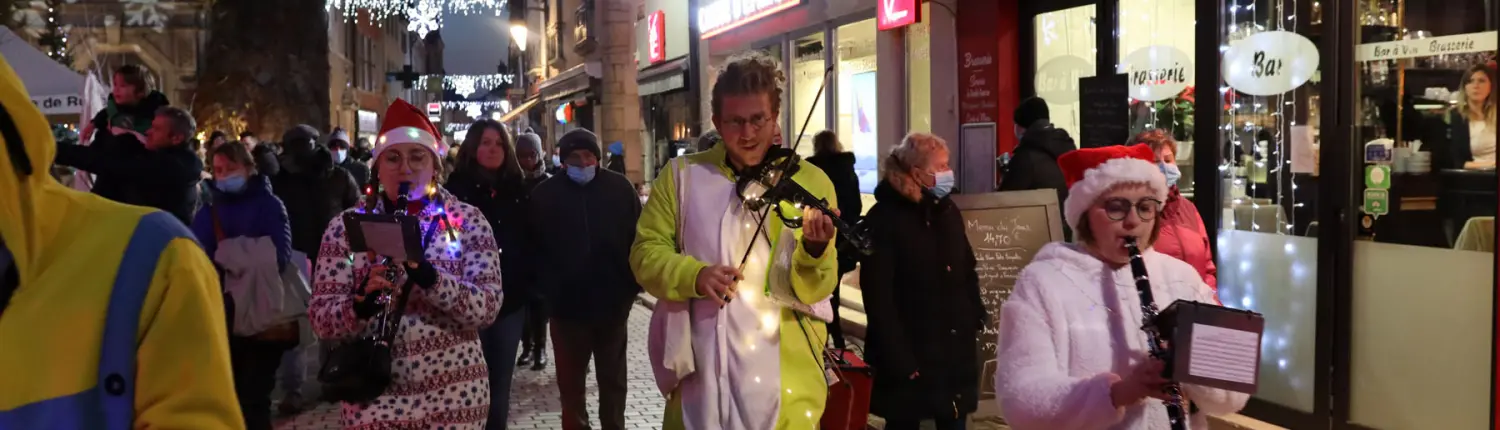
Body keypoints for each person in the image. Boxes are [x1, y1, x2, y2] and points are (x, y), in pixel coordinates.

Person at [0, 53, 242, 429]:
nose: (148, 135)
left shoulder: (159, 250)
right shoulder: (120, 131)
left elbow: (120, 167)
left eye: (156, 130)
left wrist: (69, 149)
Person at [631, 52, 841, 429]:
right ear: (716, 121)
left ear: (775, 117)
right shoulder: (680, 176)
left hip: (785, 389)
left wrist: (814, 252)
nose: (747, 133)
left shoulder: (810, 183)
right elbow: (644, 254)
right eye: (735, 121)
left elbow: (816, 290)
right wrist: (694, 275)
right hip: (701, 380)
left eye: (758, 119)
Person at [994, 144, 1248, 429]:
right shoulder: (1044, 283)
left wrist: (1189, 357)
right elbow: (1020, 400)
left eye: (1145, 207)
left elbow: (1232, 397)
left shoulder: (1181, 278)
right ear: (1084, 214)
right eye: (1116, 207)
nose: (1133, 221)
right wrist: (1118, 393)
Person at [307, 99, 504, 429]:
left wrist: (431, 279)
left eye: (417, 156)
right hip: (374, 396)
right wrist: (359, 306)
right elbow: (321, 320)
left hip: (454, 396)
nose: (405, 168)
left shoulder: (468, 221)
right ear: (377, 167)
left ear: (435, 165)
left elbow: (487, 308)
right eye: (393, 158)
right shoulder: (345, 228)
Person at [860, 132, 984, 430]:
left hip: (952, 351)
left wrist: (975, 312)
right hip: (911, 353)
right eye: (940, 167)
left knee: (954, 420)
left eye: (947, 164)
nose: (948, 172)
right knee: (904, 422)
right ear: (916, 173)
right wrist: (900, 359)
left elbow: (966, 266)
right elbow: (878, 296)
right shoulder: (885, 219)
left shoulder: (947, 210)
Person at [531, 128, 642, 430]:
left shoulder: (619, 189)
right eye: (575, 158)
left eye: (588, 156)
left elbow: (639, 240)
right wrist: (548, 294)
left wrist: (630, 289)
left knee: (613, 384)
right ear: (563, 161)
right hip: (566, 312)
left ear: (598, 158)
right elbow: (534, 248)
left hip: (612, 308)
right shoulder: (545, 195)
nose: (583, 163)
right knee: (571, 389)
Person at [190, 142, 295, 430]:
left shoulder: (270, 205)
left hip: (263, 313)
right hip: (223, 313)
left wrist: (227, 256)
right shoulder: (208, 211)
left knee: (256, 398)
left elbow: (279, 256)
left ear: (249, 168)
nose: (224, 175)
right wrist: (247, 253)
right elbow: (198, 258)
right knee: (230, 395)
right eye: (218, 170)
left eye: (231, 168)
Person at [445, 119, 539, 429]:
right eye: (485, 142)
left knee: (499, 384)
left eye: (499, 143)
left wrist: (528, 284)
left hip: (509, 301)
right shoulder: (454, 192)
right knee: (466, 383)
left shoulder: (519, 189)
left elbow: (531, 240)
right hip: (466, 301)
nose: (493, 149)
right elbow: (446, 247)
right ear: (473, 148)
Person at [54, 105, 205, 225]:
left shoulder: (168, 167)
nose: (148, 132)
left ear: (176, 138)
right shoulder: (175, 162)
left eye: (157, 129)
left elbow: (107, 163)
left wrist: (53, 149)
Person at [1132, 130, 1217, 290]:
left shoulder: (1188, 208)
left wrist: (1211, 299)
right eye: (1155, 162)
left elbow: (1207, 267)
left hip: (1197, 303)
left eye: (1168, 160)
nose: (1164, 167)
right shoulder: (1132, 213)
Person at [805, 130, 862, 349]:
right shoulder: (847, 169)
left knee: (818, 289)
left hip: (817, 234)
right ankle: (837, 339)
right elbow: (855, 205)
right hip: (842, 239)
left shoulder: (811, 171)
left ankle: (823, 337)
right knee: (833, 288)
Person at [270, 125, 360, 259]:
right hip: (294, 257)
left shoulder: (339, 176)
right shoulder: (279, 180)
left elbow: (357, 211)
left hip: (335, 255)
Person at [998, 96, 1074, 239]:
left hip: (1037, 235)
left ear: (1022, 127)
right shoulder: (1066, 145)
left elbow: (1004, 199)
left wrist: (1005, 174)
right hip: (1066, 231)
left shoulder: (1025, 156)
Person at [513, 130, 552, 370]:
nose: (527, 160)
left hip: (541, 253)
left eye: (531, 155)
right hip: (519, 253)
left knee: (539, 306)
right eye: (522, 156)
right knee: (523, 307)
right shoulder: (514, 183)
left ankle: (540, 349)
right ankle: (526, 347)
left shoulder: (548, 182)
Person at [1448, 63, 1497, 170]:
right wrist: (1491, 165)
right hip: (1473, 175)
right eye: (1470, 81)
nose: (1476, 86)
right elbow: (1456, 162)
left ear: (1491, 86)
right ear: (1465, 88)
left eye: (1481, 81)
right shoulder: (1457, 117)